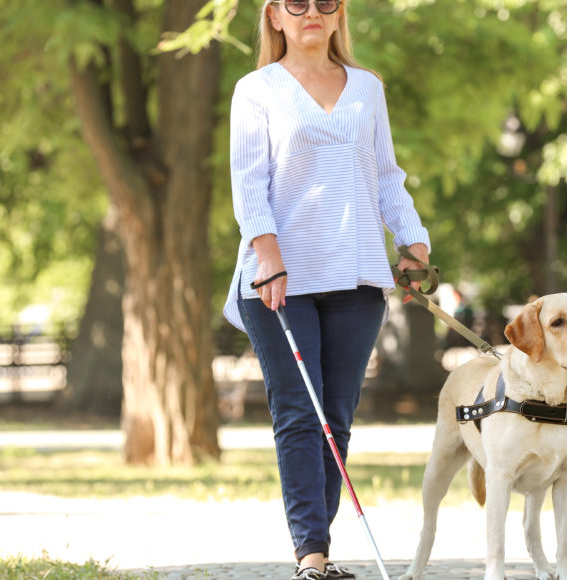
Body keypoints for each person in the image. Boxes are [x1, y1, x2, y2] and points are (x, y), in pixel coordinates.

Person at [222, 1, 431, 578]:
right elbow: (248, 182)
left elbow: (387, 177)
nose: (312, 10)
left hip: (356, 275)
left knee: (335, 418)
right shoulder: (255, 89)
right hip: (278, 279)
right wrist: (267, 251)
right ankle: (311, 558)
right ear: (274, 16)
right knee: (298, 411)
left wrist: (414, 244)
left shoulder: (367, 89)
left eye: (326, 1)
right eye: (297, 2)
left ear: (340, 15)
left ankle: (320, 551)